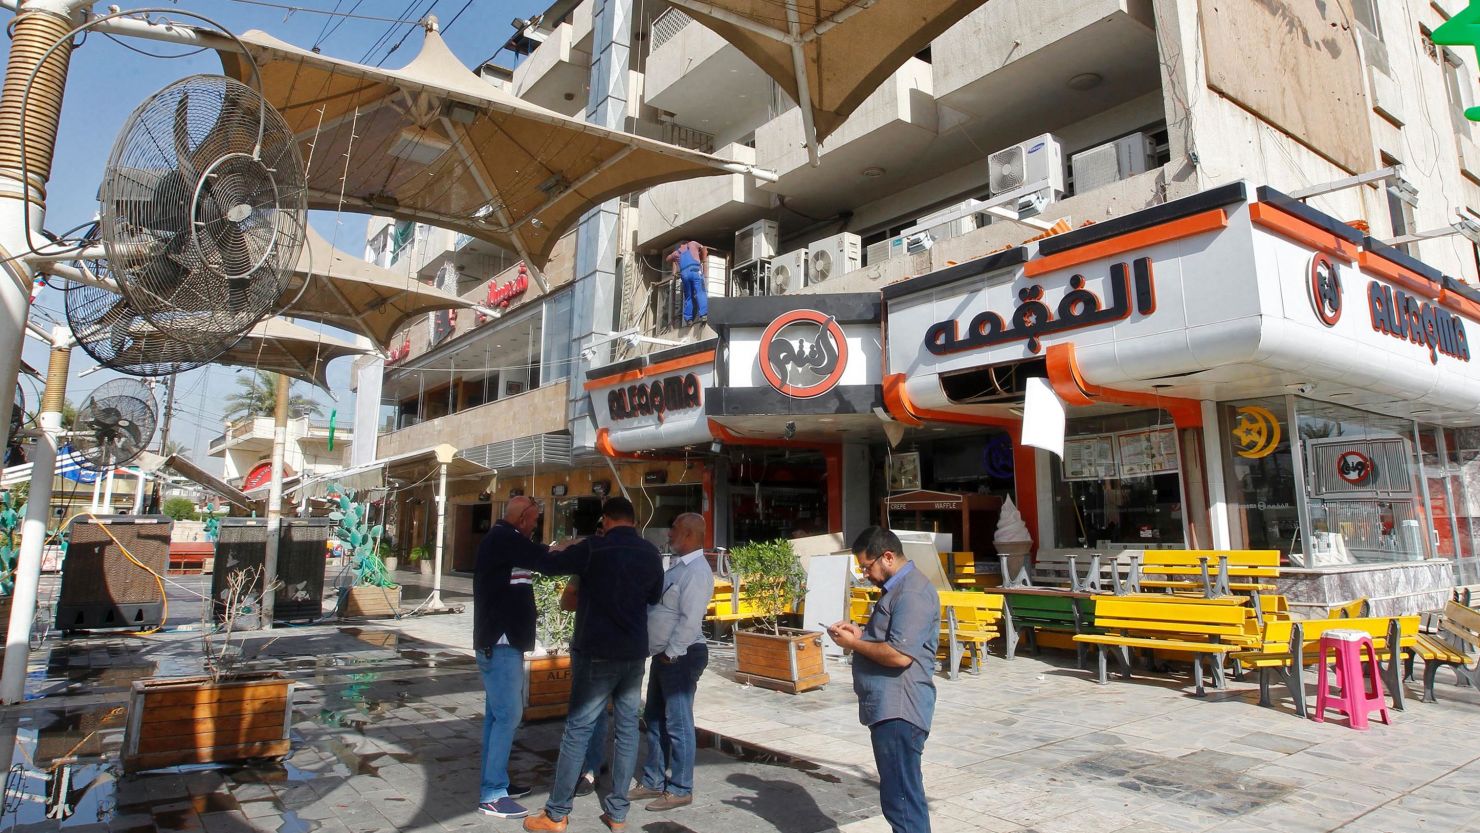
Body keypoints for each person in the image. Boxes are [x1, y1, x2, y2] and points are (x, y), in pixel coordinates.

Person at [524, 497, 664, 833]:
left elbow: (549, 564)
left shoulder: (593, 549)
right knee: (628, 731)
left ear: (607, 519)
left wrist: (571, 544)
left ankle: (556, 814)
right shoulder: (651, 553)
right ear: (633, 520)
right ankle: (617, 815)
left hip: (596, 651)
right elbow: (654, 597)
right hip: (632, 654)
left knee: (578, 731)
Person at [827, 527, 939, 833]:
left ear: (887, 557)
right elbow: (889, 639)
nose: (865, 574)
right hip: (888, 707)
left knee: (902, 800)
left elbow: (900, 655)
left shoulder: (913, 592)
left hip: (900, 709)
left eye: (867, 566)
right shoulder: (896, 590)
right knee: (899, 795)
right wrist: (862, 635)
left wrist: (853, 645)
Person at [629, 513, 714, 811]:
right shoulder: (678, 568)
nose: (669, 535)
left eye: (674, 530)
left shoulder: (698, 572)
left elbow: (691, 621)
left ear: (689, 534)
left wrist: (672, 652)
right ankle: (653, 780)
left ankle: (680, 787)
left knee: (678, 723)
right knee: (653, 718)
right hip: (665, 654)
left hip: (682, 654)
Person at [473, 496, 548, 819]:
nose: (535, 526)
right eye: (533, 520)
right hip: (500, 644)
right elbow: (544, 560)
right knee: (508, 716)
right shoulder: (506, 539)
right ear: (522, 518)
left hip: (502, 642)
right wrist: (575, 551)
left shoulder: (504, 539)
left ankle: (497, 783)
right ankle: (492, 794)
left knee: (496, 716)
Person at [665, 240, 709, 326]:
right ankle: (703, 316)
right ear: (687, 242)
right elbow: (704, 248)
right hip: (695, 271)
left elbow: (667, 259)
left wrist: (674, 258)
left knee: (689, 296)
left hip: (684, 275)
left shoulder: (676, 253)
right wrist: (704, 261)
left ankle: (689, 319)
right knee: (700, 293)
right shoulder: (693, 243)